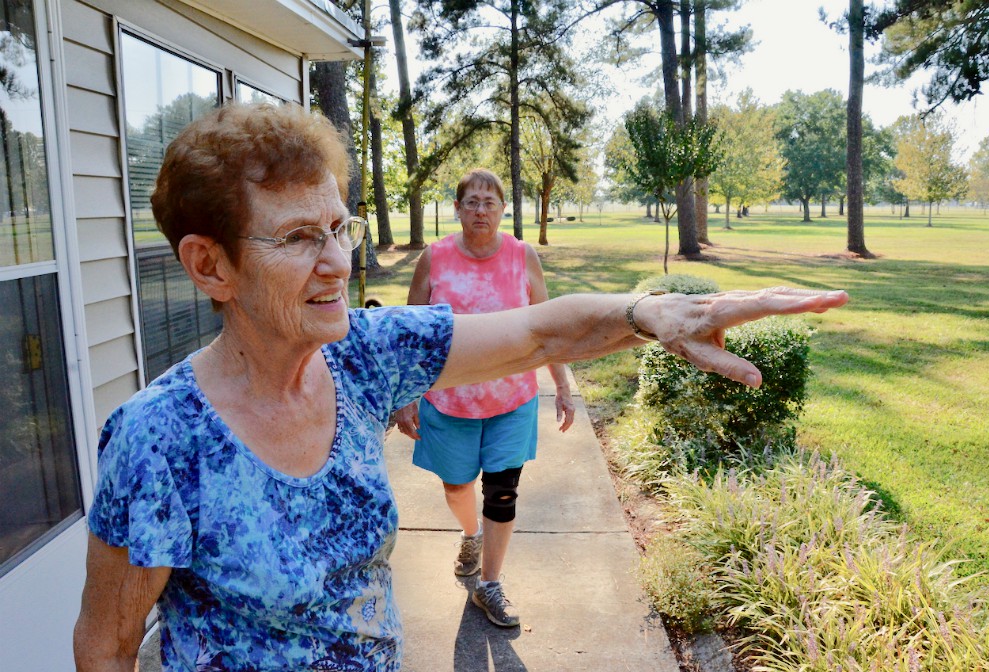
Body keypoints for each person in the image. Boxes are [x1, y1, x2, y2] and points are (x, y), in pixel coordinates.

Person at [73, 102, 849, 672]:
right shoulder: (159, 440)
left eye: (340, 228)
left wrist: (650, 312)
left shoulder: (361, 356)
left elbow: (540, 330)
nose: (339, 264)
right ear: (210, 266)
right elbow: (106, 648)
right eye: (300, 238)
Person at [391, 168, 574, 628]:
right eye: (471, 202)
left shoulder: (522, 256)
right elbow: (412, 335)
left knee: (503, 491)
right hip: (450, 403)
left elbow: (548, 328)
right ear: (457, 208)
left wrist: (563, 386)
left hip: (512, 399)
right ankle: (469, 534)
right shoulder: (435, 259)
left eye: (489, 202)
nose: (480, 210)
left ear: (503, 209)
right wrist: (405, 397)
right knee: (456, 487)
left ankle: (490, 584)